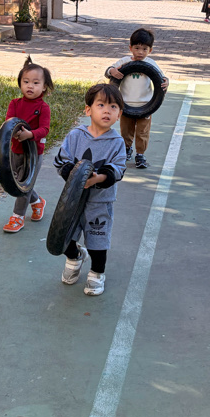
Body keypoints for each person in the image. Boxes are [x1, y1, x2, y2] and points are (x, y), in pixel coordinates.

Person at [53, 83, 127, 296]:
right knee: (65, 235)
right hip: (72, 200)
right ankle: (75, 257)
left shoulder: (117, 142)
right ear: (88, 110)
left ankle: (97, 272)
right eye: (101, 105)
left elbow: (118, 169)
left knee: (97, 240)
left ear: (119, 115)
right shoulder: (76, 135)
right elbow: (61, 161)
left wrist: (98, 178)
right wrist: (74, 176)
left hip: (100, 202)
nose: (107, 111)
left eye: (113, 107)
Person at [2, 56, 54, 233]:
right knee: (19, 182)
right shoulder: (15, 104)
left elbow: (44, 129)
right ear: (20, 84)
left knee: (24, 185)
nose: (30, 86)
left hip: (33, 154)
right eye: (26, 82)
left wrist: (30, 134)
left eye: (35, 83)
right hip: (16, 150)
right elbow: (9, 122)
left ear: (44, 86)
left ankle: (17, 217)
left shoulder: (43, 108)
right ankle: (38, 201)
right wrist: (16, 133)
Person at [106, 27, 170, 170]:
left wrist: (166, 82)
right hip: (125, 104)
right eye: (137, 48)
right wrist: (112, 71)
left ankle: (140, 154)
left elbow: (161, 78)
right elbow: (109, 71)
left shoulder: (151, 64)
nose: (140, 52)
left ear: (150, 50)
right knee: (126, 130)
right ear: (130, 48)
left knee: (142, 132)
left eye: (144, 49)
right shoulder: (124, 62)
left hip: (146, 105)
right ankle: (126, 149)